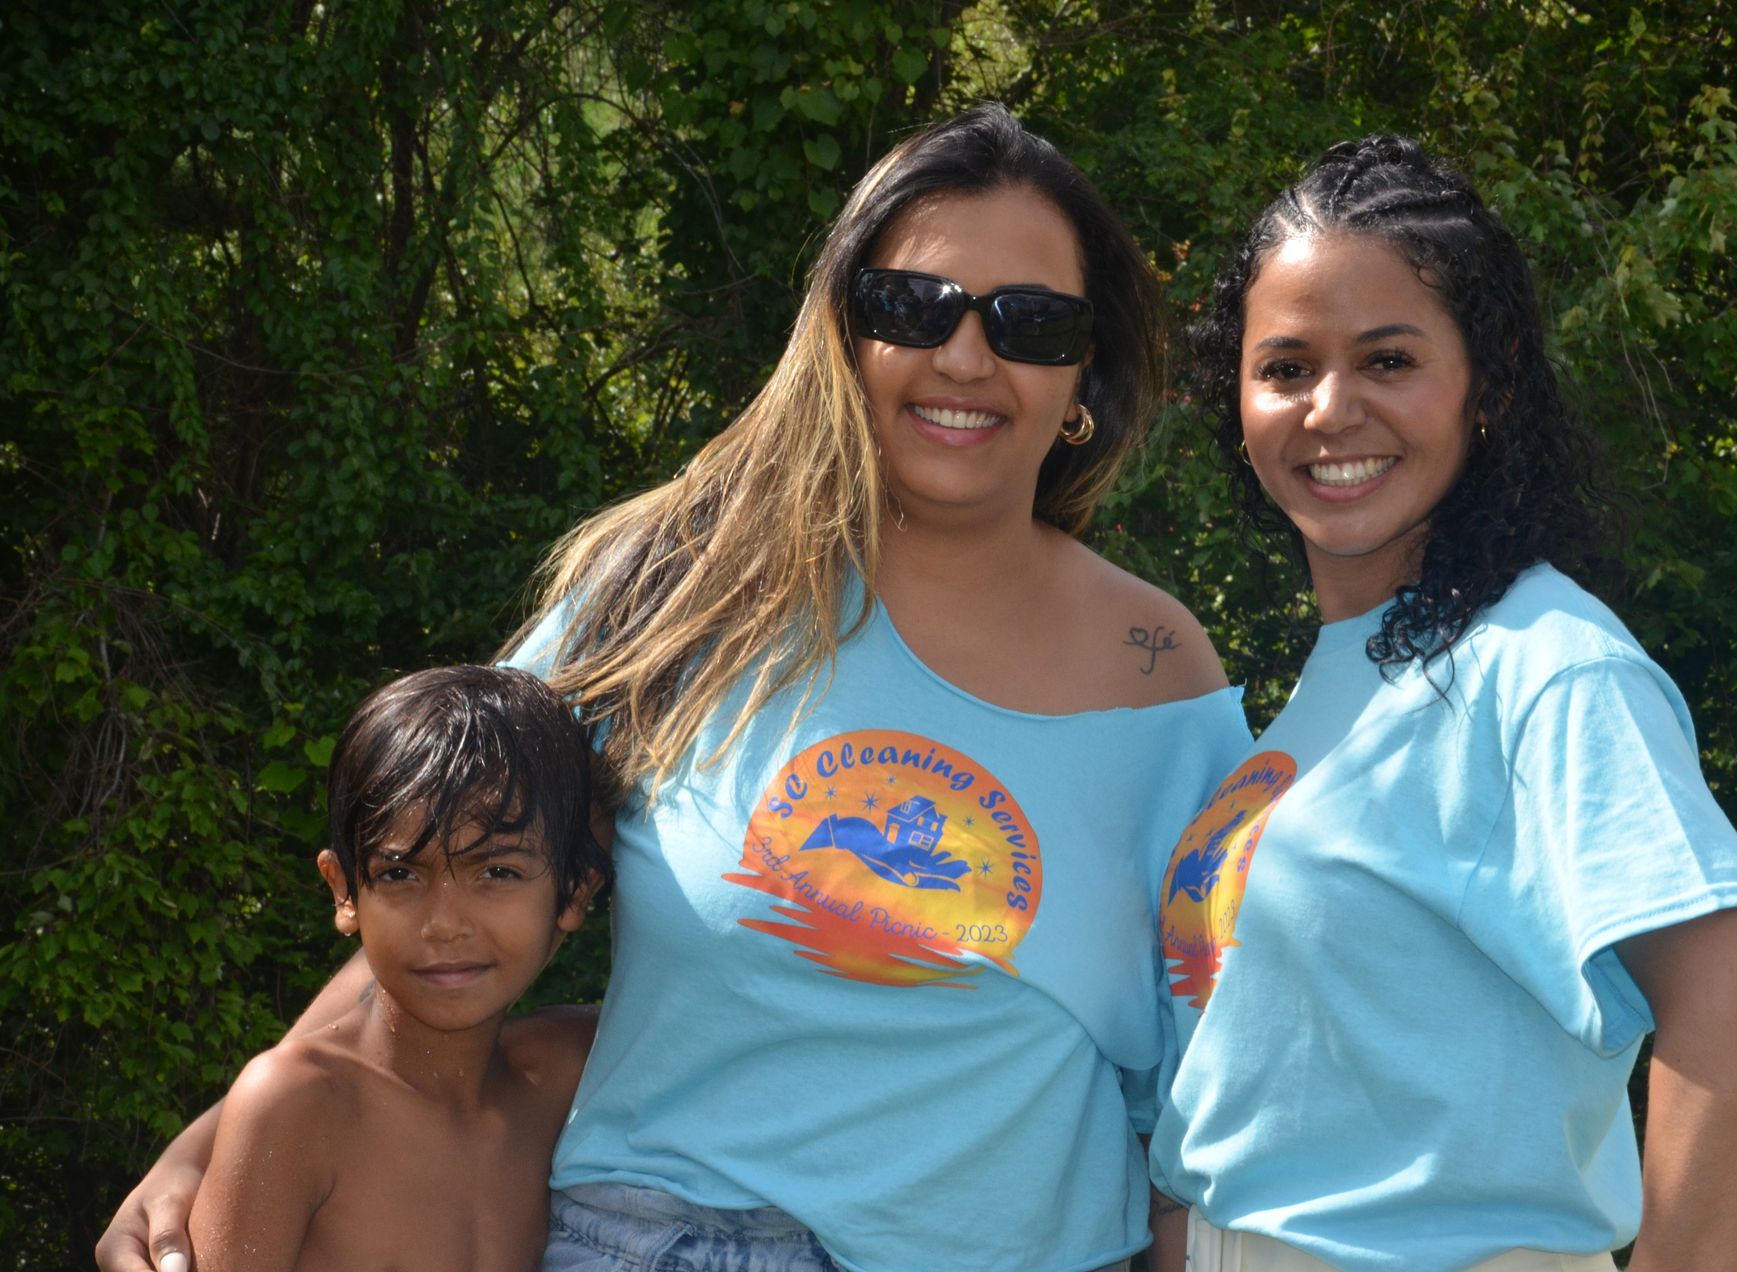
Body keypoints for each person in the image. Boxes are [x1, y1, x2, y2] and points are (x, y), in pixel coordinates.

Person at [99, 104, 1250, 1272]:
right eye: (912, 306)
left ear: (1085, 370)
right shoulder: (681, 587)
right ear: (843, 332)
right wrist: (215, 1141)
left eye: (1029, 322)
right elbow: (437, 880)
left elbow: (1203, 1085)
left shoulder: (1161, 683)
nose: (965, 357)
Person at [1146, 134, 1737, 1272]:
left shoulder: (1544, 664)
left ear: (1489, 382)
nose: (1330, 408)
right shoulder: (1344, 674)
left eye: (1389, 360)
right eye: (1286, 367)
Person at [185, 665, 610, 1272]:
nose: (445, 923)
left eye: (498, 872)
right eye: (400, 874)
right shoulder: (300, 1105)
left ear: (573, 892)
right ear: (345, 892)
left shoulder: (570, 1074)